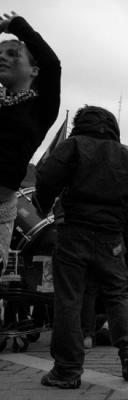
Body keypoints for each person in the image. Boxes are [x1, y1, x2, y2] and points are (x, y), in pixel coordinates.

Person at [33, 106, 128, 388]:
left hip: (74, 231)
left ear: (80, 124)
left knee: (70, 299)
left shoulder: (74, 145)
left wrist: (43, 204)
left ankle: (67, 370)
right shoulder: (124, 155)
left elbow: (46, 175)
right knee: (117, 294)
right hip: (112, 238)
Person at [0, 11, 61, 272]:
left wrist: (16, 26)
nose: (2, 57)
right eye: (0, 53)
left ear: (34, 70)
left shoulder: (39, 109)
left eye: (13, 54)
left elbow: (52, 64)